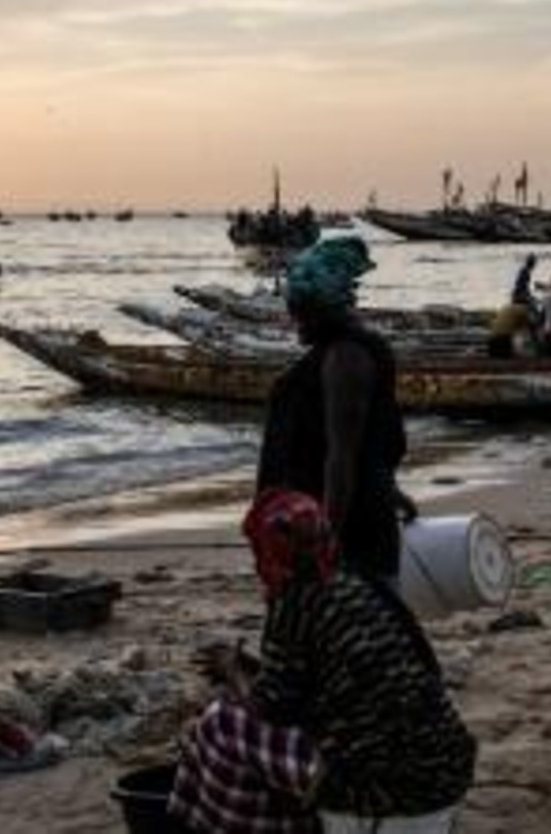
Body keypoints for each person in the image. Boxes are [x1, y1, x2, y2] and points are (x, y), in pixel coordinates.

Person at [170, 490, 475, 832]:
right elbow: (319, 679)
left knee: (219, 723)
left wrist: (232, 671)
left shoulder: (296, 599)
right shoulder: (357, 582)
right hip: (445, 767)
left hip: (386, 790)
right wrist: (254, 668)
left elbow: (272, 708)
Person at [256, 237, 409, 583]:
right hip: (324, 522)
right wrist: (391, 491)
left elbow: (342, 456)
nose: (295, 321)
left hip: (345, 534)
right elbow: (373, 438)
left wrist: (327, 540)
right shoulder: (345, 352)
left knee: (350, 628)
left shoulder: (345, 359)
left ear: (322, 309)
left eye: (300, 312)